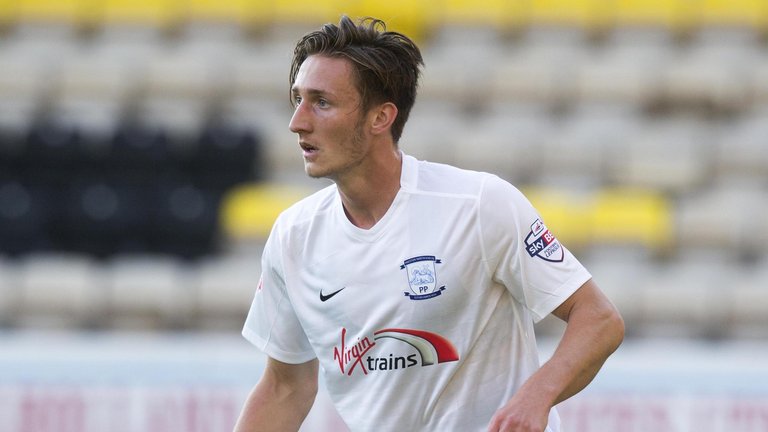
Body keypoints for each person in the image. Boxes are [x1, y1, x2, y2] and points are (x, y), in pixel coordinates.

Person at [235, 15, 624, 432]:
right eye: (298, 99)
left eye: (322, 102)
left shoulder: (478, 205)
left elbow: (599, 319)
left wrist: (535, 396)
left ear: (380, 118)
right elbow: (284, 388)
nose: (298, 121)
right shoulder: (294, 236)